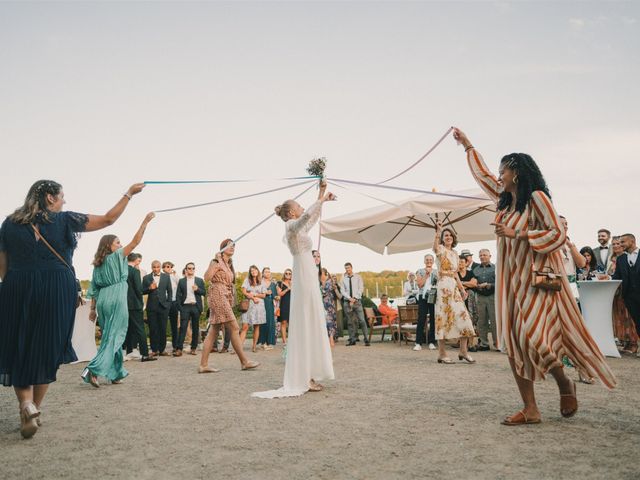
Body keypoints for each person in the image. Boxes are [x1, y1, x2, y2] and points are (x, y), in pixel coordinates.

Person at [454, 127, 616, 426]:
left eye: (503, 170)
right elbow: (485, 177)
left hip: (536, 281)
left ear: (516, 173)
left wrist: (517, 232)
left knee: (536, 338)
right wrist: (468, 148)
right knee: (514, 342)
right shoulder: (504, 201)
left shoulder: (538, 198)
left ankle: (564, 383)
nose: (499, 176)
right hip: (510, 283)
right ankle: (530, 408)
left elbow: (557, 234)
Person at [0, 180, 145, 438]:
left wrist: (15, 285)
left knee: (19, 344)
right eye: (61, 197)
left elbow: (2, 266)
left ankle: (25, 403)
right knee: (49, 346)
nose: (64, 201)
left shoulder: (9, 224)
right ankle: (35, 408)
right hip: (56, 286)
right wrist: (129, 193)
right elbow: (109, 219)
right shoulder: (65, 220)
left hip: (17, 286)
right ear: (49, 197)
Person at [252, 182, 335, 398]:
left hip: (308, 271)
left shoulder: (297, 227)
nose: (301, 208)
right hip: (303, 273)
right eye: (298, 206)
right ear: (291, 212)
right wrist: (321, 199)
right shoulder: (290, 226)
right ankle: (303, 377)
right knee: (306, 319)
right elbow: (306, 217)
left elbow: (312, 218)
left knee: (312, 319)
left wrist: (321, 194)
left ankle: (310, 373)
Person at [81, 213, 156, 387]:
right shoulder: (117, 256)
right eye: (118, 242)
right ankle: (93, 369)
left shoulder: (98, 263)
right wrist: (145, 221)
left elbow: (94, 287)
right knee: (115, 336)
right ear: (109, 245)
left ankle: (116, 373)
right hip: (116, 298)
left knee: (110, 335)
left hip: (103, 301)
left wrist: (93, 309)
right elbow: (136, 241)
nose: (121, 245)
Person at [199, 239, 259, 373]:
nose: (232, 247)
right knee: (234, 327)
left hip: (225, 295)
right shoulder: (216, 261)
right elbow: (206, 277)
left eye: (234, 245)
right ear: (222, 248)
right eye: (229, 245)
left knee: (214, 330)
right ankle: (244, 361)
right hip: (217, 294)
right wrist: (216, 261)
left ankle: (203, 365)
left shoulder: (229, 264)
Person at [432, 222, 476, 364]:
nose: (448, 237)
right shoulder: (440, 248)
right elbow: (434, 248)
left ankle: (463, 351)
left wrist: (462, 289)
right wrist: (438, 232)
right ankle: (442, 354)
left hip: (454, 287)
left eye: (450, 235)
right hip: (443, 286)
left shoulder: (455, 253)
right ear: (442, 238)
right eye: (446, 235)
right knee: (442, 318)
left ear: (454, 238)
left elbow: (456, 274)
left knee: (464, 318)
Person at [609, 237, 638, 353]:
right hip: (629, 296)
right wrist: (608, 277)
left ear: (632, 241)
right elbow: (617, 276)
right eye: (617, 243)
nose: (620, 245)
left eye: (622, 242)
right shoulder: (621, 259)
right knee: (636, 320)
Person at [125, 253, 156, 362]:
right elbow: (139, 289)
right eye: (139, 261)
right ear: (136, 260)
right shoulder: (135, 271)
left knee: (127, 328)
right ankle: (145, 354)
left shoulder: (121, 270)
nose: (139, 263)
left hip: (123, 304)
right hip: (134, 304)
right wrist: (149, 288)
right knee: (140, 329)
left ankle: (128, 352)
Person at [175, 262, 206, 357]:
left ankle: (193, 348)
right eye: (189, 268)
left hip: (196, 306)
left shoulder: (199, 280)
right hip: (185, 307)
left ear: (194, 270)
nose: (191, 270)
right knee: (183, 327)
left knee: (196, 328)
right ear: (186, 270)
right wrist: (180, 308)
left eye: (193, 268)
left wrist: (197, 289)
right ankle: (179, 349)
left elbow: (204, 292)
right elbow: (178, 296)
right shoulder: (181, 281)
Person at [142, 261, 173, 357]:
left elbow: (170, 291)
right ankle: (154, 350)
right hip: (151, 307)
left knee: (162, 329)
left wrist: (168, 304)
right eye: (154, 267)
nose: (156, 269)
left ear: (160, 267)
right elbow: (142, 291)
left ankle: (162, 350)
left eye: (157, 267)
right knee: (153, 329)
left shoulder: (166, 277)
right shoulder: (146, 278)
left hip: (163, 307)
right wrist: (149, 288)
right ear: (151, 267)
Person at [473, 249, 498, 351]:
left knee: (494, 321)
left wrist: (489, 285)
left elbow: (500, 283)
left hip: (492, 296)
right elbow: (473, 282)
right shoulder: (475, 270)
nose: (482, 257)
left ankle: (497, 344)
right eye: (481, 255)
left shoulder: (495, 268)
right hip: (480, 297)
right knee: (481, 321)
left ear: (490, 256)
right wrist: (476, 286)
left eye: (485, 255)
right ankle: (484, 343)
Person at [341, 262, 370, 346]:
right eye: (346, 268)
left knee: (362, 320)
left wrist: (354, 299)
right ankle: (352, 340)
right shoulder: (343, 279)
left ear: (352, 268)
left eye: (348, 268)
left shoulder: (358, 277)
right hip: (347, 302)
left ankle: (366, 339)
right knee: (350, 322)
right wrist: (349, 298)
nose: (347, 269)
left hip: (357, 302)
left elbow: (361, 289)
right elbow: (342, 291)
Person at [240, 265, 267, 353]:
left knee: (256, 326)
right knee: (245, 326)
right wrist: (252, 298)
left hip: (259, 306)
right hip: (248, 305)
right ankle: (239, 347)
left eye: (255, 270)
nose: (253, 271)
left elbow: (263, 295)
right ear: (250, 273)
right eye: (251, 271)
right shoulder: (247, 280)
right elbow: (244, 291)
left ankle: (254, 346)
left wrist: (254, 295)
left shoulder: (262, 281)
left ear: (257, 271)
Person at [414, 254, 438, 351]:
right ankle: (418, 343)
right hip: (423, 297)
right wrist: (427, 274)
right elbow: (420, 285)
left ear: (433, 261)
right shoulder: (420, 271)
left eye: (430, 260)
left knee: (433, 319)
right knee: (421, 319)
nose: (429, 261)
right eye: (427, 260)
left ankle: (432, 342)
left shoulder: (436, 272)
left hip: (433, 296)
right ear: (424, 261)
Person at [257, 267, 277, 350]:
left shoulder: (273, 284)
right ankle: (262, 342)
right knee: (262, 322)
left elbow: (275, 295)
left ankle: (269, 342)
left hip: (270, 304)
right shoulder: (259, 282)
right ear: (262, 273)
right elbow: (256, 292)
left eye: (269, 272)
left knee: (270, 322)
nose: (268, 273)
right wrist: (265, 292)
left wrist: (277, 297)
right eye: (266, 272)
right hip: (261, 303)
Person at [162, 261, 180, 355]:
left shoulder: (175, 277)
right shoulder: (161, 277)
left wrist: (174, 274)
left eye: (170, 267)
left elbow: (180, 284)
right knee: (163, 326)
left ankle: (175, 346)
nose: (169, 268)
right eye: (166, 267)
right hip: (164, 303)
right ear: (163, 268)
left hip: (174, 303)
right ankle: (162, 348)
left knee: (174, 326)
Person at [320, 267, 338, 347]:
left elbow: (326, 292)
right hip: (321, 305)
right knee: (324, 322)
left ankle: (331, 339)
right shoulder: (319, 282)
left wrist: (322, 287)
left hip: (329, 304)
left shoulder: (330, 281)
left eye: (320, 274)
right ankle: (327, 338)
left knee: (330, 321)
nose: (319, 275)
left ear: (324, 273)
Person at [276, 269, 292, 345]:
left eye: (289, 273)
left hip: (293, 305)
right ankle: (284, 342)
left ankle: (292, 341)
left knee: (292, 323)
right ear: (284, 274)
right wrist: (287, 289)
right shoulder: (280, 283)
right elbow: (279, 294)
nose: (288, 274)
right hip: (284, 304)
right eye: (286, 273)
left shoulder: (294, 283)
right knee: (284, 322)